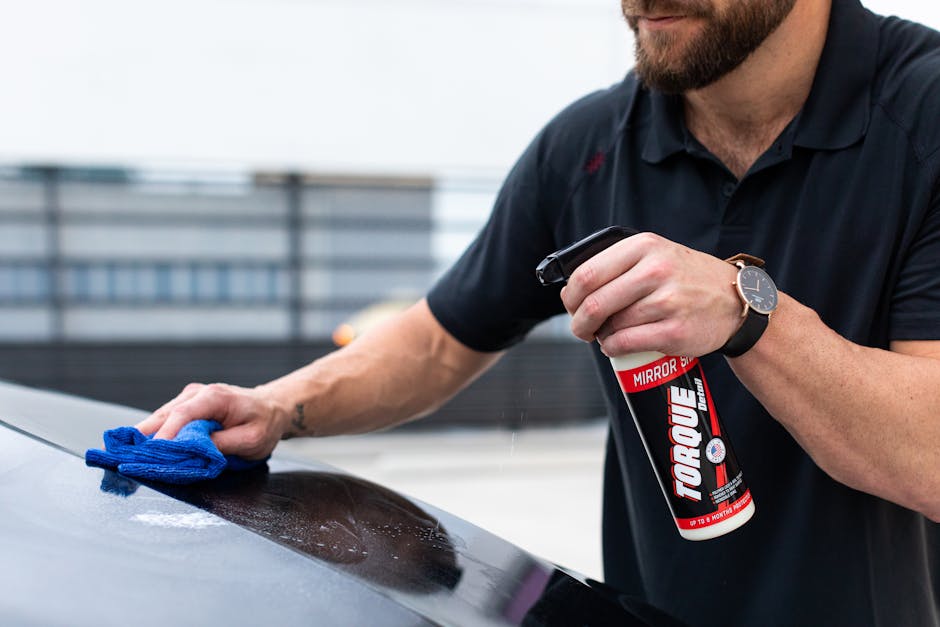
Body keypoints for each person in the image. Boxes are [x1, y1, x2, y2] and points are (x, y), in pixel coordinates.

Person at [137, 0, 940, 624]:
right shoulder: (588, 146)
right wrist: (277, 405)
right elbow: (440, 340)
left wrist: (746, 312)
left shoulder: (924, 114)